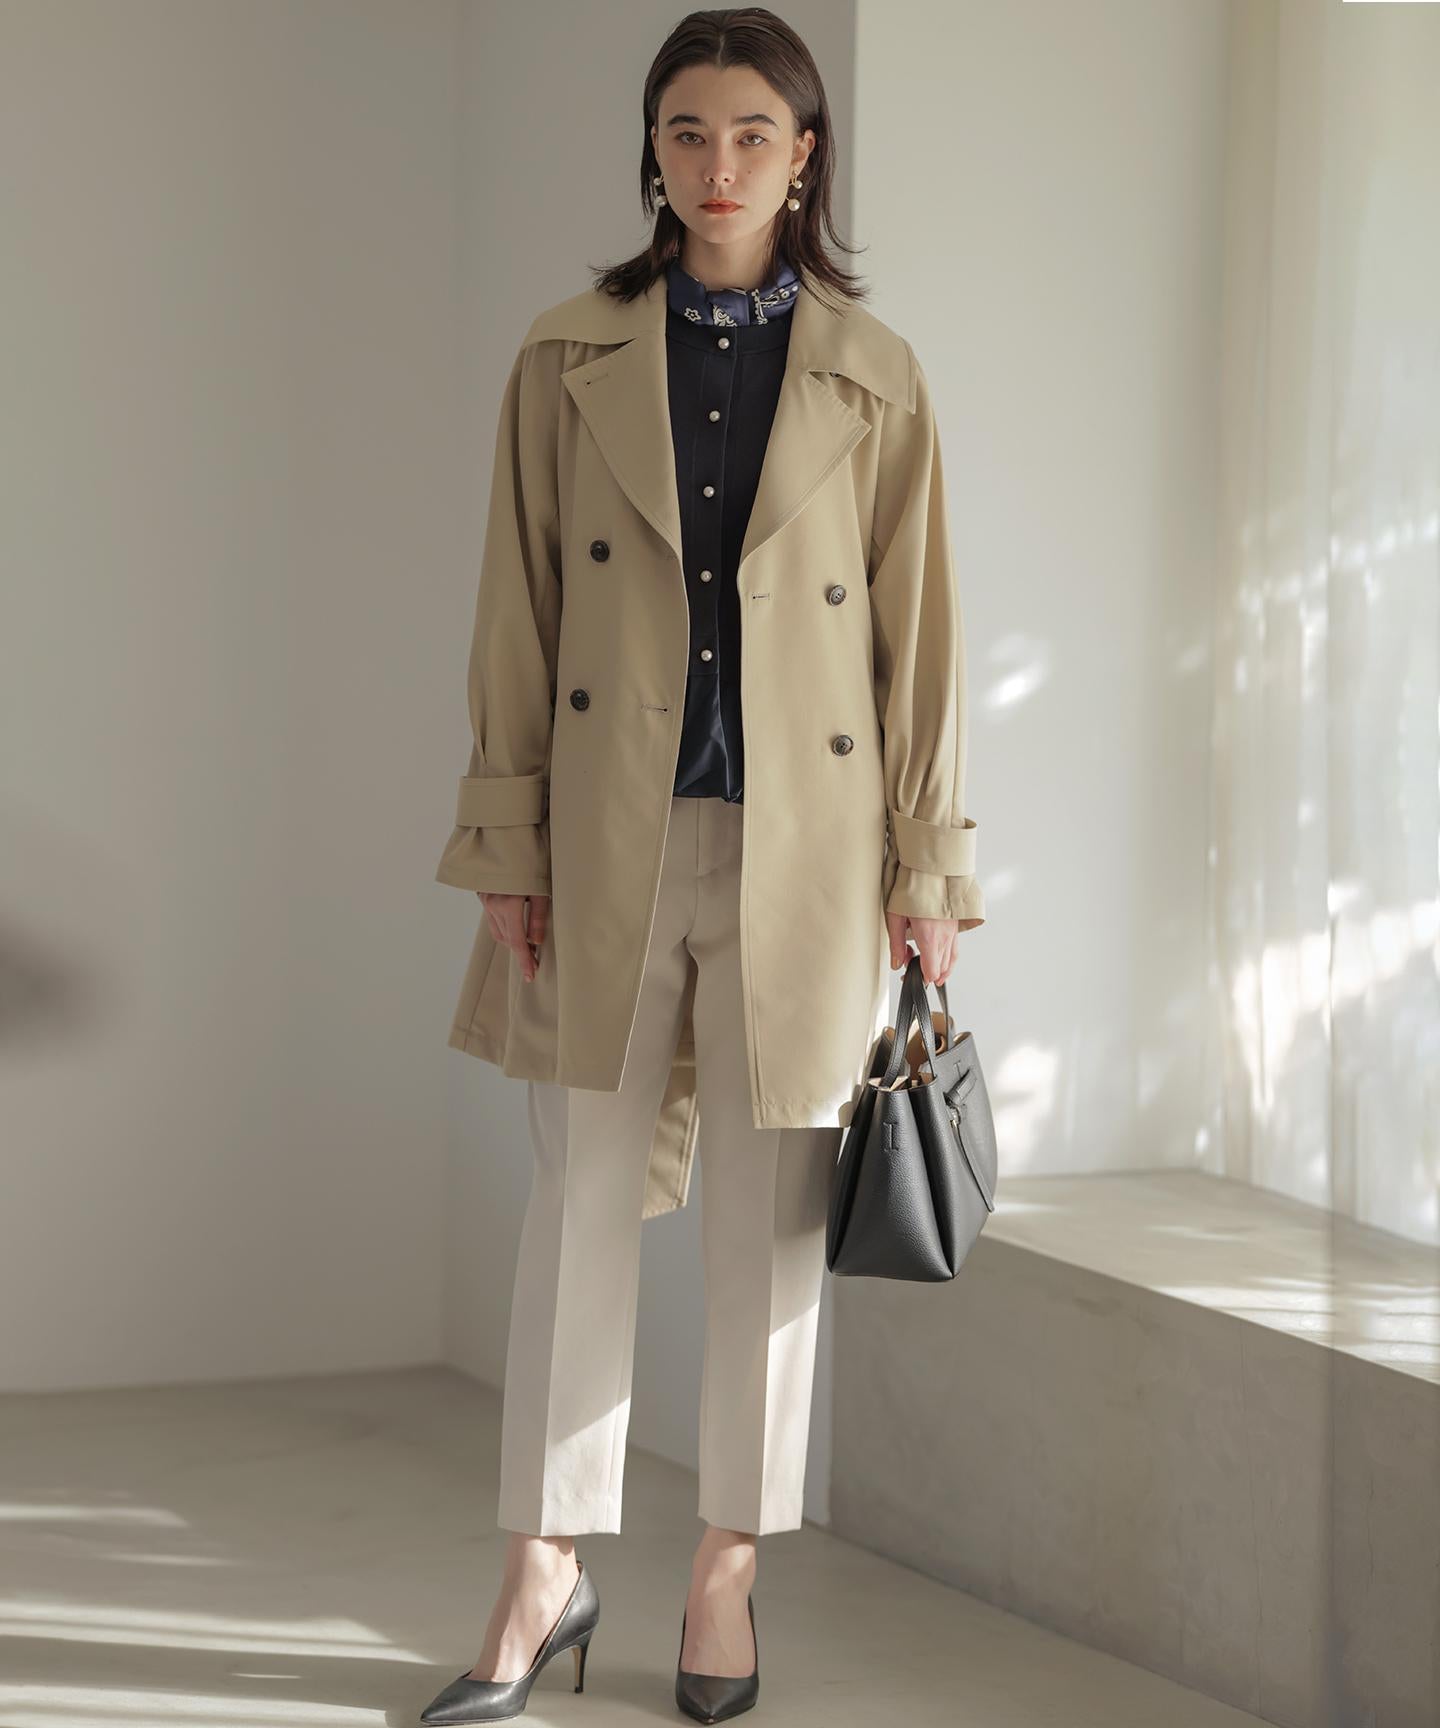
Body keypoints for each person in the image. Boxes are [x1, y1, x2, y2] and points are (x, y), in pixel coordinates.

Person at [421, 9, 984, 1724]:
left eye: (753, 134)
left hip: (811, 856)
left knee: (768, 1231)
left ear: (804, 157)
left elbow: (920, 642)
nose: (718, 165)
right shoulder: (566, 357)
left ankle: (726, 1568)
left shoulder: (875, 374)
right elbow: (516, 609)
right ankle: (541, 1567)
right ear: (651, 152)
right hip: (607, 839)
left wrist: (929, 868)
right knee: (576, 1208)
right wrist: (506, 834)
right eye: (687, 132)